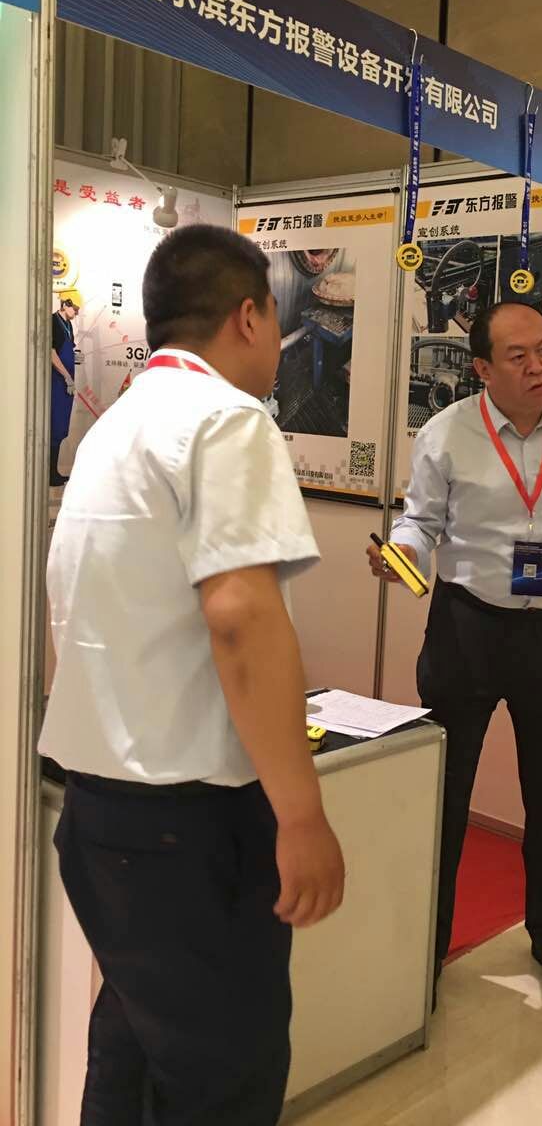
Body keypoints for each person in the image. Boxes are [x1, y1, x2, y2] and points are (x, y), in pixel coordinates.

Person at [39, 225, 345, 1126]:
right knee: (225, 1081)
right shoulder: (226, 419)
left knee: (132, 1055)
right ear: (249, 317)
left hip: (102, 816)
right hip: (189, 826)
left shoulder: (116, 427)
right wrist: (302, 815)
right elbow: (242, 618)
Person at [367, 301, 542, 1008]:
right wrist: (401, 555)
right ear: (482, 368)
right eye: (519, 355)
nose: (540, 365)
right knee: (447, 793)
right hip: (466, 630)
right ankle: (429, 946)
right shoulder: (447, 433)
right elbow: (421, 522)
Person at [50, 294, 79, 486]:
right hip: (57, 382)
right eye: (75, 309)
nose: (76, 313)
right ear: (65, 304)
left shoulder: (68, 326)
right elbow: (51, 352)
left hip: (66, 385)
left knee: (61, 428)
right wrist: (67, 377)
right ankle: (49, 473)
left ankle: (54, 471)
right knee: (53, 426)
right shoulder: (53, 322)